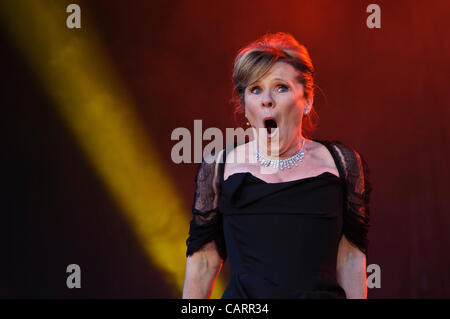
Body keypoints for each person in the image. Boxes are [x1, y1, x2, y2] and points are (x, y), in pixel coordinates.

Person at [182, 32, 372, 299]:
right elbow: (203, 262)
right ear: (245, 106)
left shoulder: (342, 164)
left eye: (280, 87)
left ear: (307, 101)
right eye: (255, 89)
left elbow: (351, 259)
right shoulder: (219, 167)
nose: (266, 99)